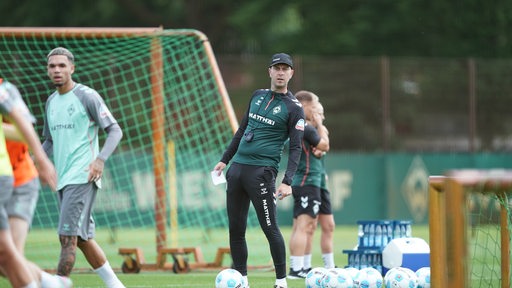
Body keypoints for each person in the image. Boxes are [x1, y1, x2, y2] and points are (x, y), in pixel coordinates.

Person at [213, 53, 305, 288]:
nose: (281, 72)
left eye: (286, 68)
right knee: (236, 229)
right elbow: (242, 130)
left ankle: (281, 281)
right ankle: (241, 280)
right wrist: (225, 160)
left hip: (261, 173)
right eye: (277, 68)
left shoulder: (294, 108)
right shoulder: (257, 96)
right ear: (270, 71)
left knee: (270, 227)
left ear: (291, 73)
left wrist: (287, 181)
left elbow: (296, 148)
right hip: (236, 171)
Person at [42, 47, 125, 288]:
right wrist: (34, 162)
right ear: (47, 70)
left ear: (72, 68)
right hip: (63, 179)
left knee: (66, 237)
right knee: (82, 239)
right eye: (52, 66)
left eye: (61, 65)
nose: (57, 70)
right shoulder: (51, 102)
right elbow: (49, 140)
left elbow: (115, 130)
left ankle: (59, 285)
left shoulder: (87, 96)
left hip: (82, 175)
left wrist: (100, 159)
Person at [1, 79, 73, 288]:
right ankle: (51, 282)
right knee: (7, 260)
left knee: (9, 255)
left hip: (20, 179)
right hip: (7, 180)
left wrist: (41, 159)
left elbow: (26, 130)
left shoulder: (4, 91)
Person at [287, 91, 330, 279]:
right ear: (304, 107)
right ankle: (296, 269)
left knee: (303, 226)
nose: (315, 112)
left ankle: (301, 267)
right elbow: (324, 146)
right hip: (306, 181)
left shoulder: (299, 126)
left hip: (302, 181)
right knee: (303, 226)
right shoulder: (304, 126)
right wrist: (319, 124)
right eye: (313, 108)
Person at [303, 101, 336, 273]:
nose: (321, 117)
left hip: (322, 182)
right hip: (310, 181)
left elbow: (324, 145)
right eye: (318, 113)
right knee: (309, 225)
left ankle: (330, 266)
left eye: (322, 114)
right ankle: (305, 266)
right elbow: (320, 149)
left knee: (329, 225)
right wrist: (321, 127)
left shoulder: (321, 131)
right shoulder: (308, 131)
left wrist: (322, 126)